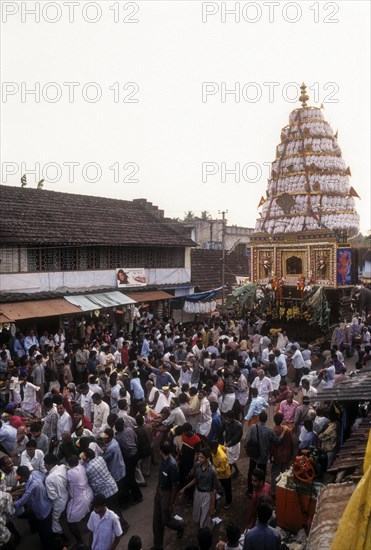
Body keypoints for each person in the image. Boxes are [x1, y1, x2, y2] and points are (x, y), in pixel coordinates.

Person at [246, 410, 288, 494]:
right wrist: (284, 431)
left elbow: (247, 440)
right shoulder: (269, 431)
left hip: (253, 454)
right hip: (263, 456)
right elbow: (278, 441)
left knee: (251, 471)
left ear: (259, 418)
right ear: (266, 420)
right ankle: (261, 491)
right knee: (261, 474)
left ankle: (250, 490)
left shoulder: (253, 427)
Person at [152, 441, 184, 550]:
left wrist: (171, 502)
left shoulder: (172, 465)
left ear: (161, 452)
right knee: (156, 520)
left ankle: (179, 526)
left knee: (165, 519)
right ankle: (158, 545)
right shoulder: (163, 460)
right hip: (160, 491)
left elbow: (175, 486)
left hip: (167, 493)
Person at [179, 447, 219, 531]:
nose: (199, 459)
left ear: (207, 458)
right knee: (197, 514)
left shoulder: (212, 471)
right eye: (199, 456)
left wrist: (212, 505)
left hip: (207, 495)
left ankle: (210, 527)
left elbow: (214, 489)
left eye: (201, 457)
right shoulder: (197, 465)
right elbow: (195, 479)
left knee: (204, 519)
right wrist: (185, 488)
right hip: (197, 492)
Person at [14, 466, 53, 550]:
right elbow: (44, 478)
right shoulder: (35, 473)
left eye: (19, 478)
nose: (17, 479)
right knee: (45, 530)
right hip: (47, 505)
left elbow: (21, 502)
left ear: (24, 477)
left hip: (42, 512)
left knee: (45, 535)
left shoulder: (33, 485)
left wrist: (6, 500)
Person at [66, 454, 94, 546]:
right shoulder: (81, 466)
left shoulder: (70, 473)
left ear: (69, 464)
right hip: (89, 494)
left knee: (70, 521)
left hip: (79, 500)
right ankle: (93, 529)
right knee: (87, 512)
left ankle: (80, 541)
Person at [44, 453, 69, 538]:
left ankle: (61, 536)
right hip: (67, 496)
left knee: (55, 519)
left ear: (49, 465)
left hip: (59, 501)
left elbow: (52, 496)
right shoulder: (62, 467)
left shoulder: (49, 478)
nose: (44, 466)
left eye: (45, 464)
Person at [209, 440, 232, 509]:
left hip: (225, 476)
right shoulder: (218, 446)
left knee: (227, 489)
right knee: (220, 486)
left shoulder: (222, 457)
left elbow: (223, 469)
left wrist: (214, 469)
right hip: (219, 475)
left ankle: (229, 501)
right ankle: (221, 492)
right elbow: (223, 447)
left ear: (213, 449)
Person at [223, 410, 243, 478]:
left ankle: (229, 475)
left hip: (234, 445)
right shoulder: (226, 423)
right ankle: (236, 471)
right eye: (226, 418)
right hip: (227, 443)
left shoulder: (238, 425)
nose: (227, 419)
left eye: (228, 418)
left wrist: (227, 444)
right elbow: (222, 431)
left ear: (232, 418)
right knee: (230, 459)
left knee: (230, 461)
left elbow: (236, 438)